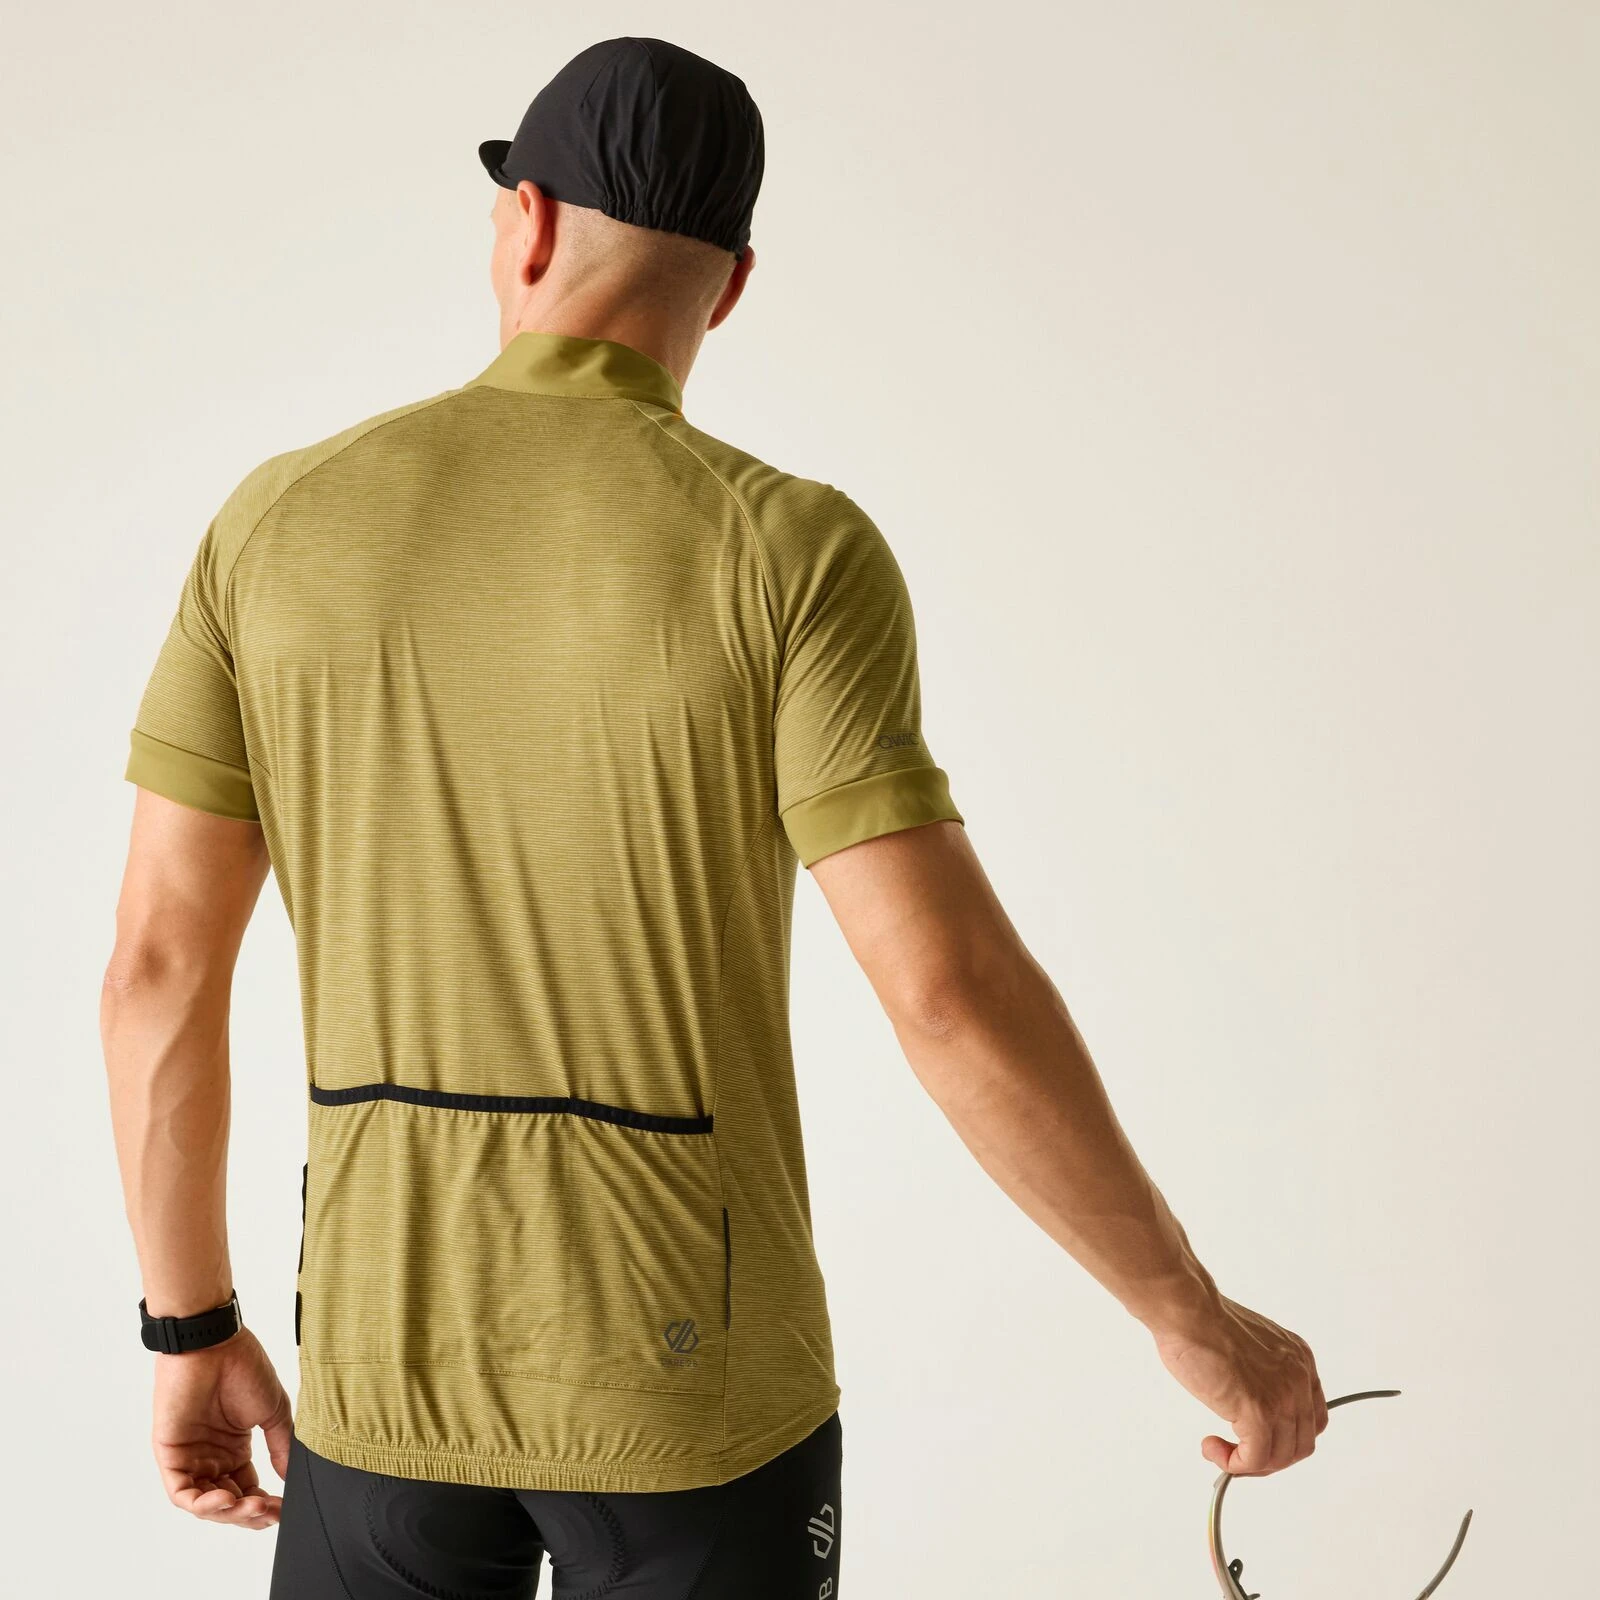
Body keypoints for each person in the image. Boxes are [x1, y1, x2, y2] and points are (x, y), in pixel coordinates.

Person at [100, 35, 1326, 1599]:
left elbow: (158, 969)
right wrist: (1187, 1314)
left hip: (381, 1379)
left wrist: (190, 1326)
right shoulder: (787, 552)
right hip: (697, 1396)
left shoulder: (279, 523)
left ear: (527, 223)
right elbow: (946, 992)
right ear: (731, 286)